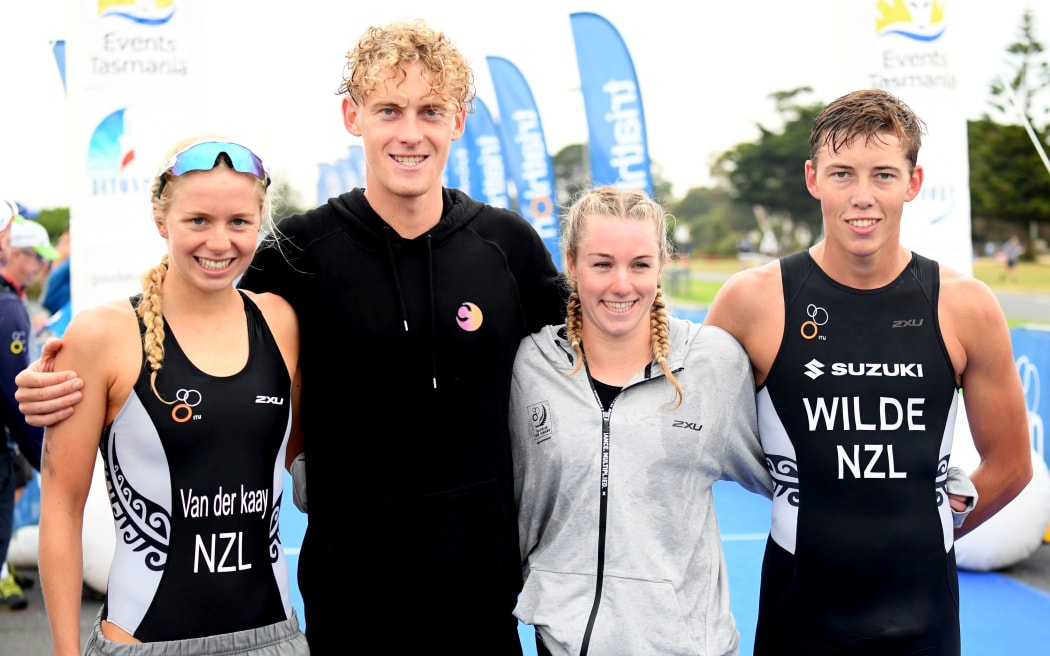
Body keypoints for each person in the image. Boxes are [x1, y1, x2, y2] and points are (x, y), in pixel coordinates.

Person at [18, 22, 566, 654]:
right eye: (388, 109)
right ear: (352, 115)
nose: (410, 132)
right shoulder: (301, 252)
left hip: (482, 599)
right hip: (347, 606)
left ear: (459, 120)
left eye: (431, 111)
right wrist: (59, 381)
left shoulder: (508, 246)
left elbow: (588, 357)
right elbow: (193, 309)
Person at [704, 89, 1033, 655]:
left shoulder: (966, 306)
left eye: (883, 174)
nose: (863, 197)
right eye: (842, 174)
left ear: (913, 181)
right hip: (797, 619)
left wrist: (928, 529)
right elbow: (688, 442)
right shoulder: (751, 301)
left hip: (922, 618)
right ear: (813, 179)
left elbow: (1011, 464)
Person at [35, 137, 309, 655]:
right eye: (198, 221)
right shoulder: (102, 336)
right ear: (162, 220)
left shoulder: (282, 322)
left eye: (239, 223)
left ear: (259, 225)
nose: (220, 242)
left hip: (275, 639)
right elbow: (62, 510)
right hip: (144, 643)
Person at [510, 186, 772, 656]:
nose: (622, 284)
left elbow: (788, 465)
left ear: (661, 267)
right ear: (571, 264)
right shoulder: (531, 366)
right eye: (602, 263)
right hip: (563, 643)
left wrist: (936, 474)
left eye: (640, 264)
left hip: (689, 645)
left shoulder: (713, 362)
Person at [0, 208, 48, 611]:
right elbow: (15, 393)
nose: (42, 267)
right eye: (37, 256)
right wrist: (44, 456)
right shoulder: (9, 306)